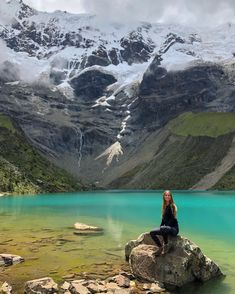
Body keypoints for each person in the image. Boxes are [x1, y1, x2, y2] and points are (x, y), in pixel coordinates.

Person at [150, 190, 179, 255]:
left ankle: (166, 245)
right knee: (152, 232)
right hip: (166, 228)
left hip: (174, 229)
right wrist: (160, 228)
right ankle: (160, 247)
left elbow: (172, 220)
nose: (167, 196)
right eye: (166, 195)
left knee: (163, 228)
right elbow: (163, 220)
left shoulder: (172, 206)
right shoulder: (164, 206)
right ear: (164, 197)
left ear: (171, 197)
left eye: (169, 195)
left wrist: (163, 228)